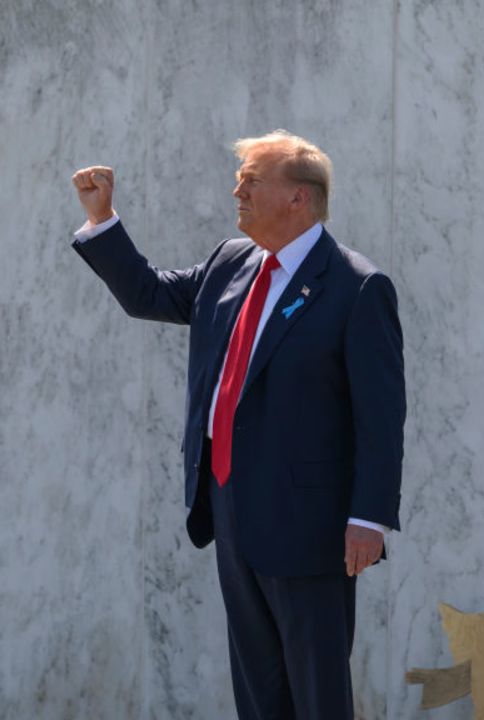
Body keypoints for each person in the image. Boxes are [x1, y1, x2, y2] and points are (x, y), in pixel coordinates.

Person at [70, 130, 404, 719]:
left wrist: (368, 516)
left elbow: (381, 416)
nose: (237, 190)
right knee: (258, 692)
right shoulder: (230, 263)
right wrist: (103, 220)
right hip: (230, 509)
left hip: (311, 527)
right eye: (239, 179)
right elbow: (148, 293)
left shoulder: (357, 287)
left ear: (299, 198)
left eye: (252, 180)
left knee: (318, 694)